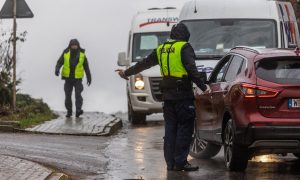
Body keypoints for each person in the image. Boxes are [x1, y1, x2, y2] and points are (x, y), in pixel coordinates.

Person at [116, 23, 209, 171]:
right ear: (185, 35)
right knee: (184, 128)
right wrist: (204, 87)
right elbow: (192, 69)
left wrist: (126, 73)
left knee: (170, 129)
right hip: (183, 96)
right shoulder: (184, 47)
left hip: (168, 97)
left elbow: (144, 64)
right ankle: (181, 162)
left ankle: (170, 163)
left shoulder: (162, 49)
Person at [55, 39, 92, 118]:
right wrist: (57, 69)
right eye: (72, 45)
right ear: (70, 45)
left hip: (78, 79)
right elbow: (59, 62)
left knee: (78, 95)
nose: (74, 46)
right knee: (68, 96)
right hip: (67, 79)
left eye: (75, 45)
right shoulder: (65, 53)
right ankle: (69, 111)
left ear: (78, 45)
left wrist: (89, 78)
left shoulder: (82, 54)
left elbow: (86, 67)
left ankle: (78, 111)